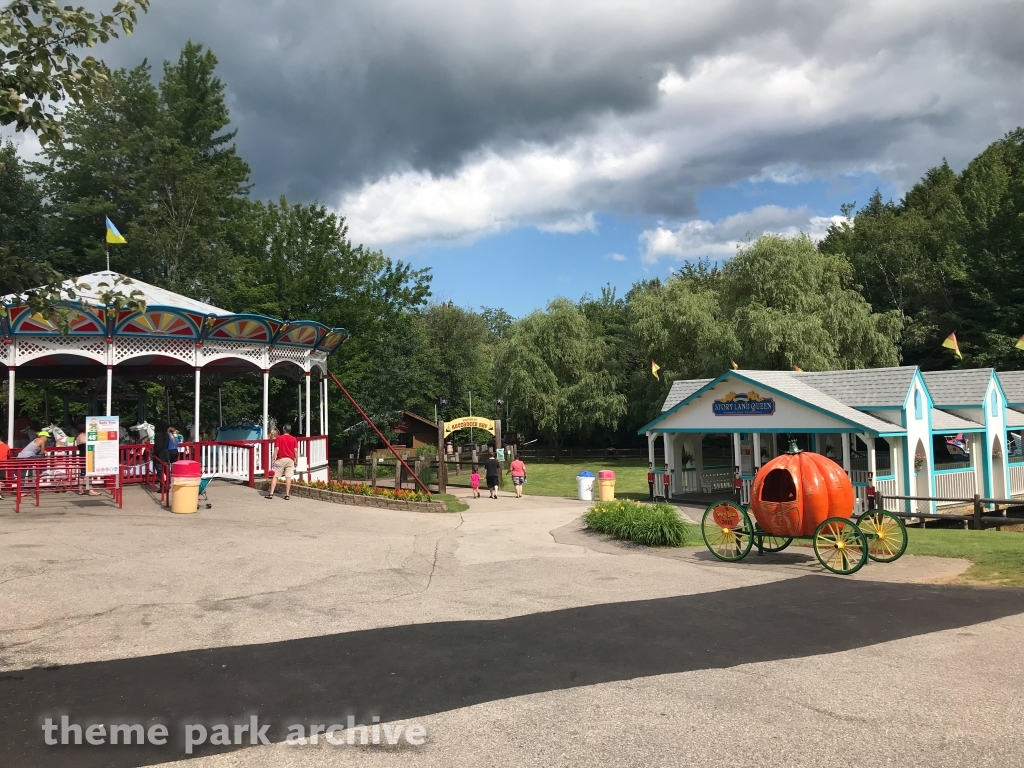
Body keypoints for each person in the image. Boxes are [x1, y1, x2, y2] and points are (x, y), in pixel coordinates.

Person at [266, 423, 298, 500]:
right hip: (290, 460)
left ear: (284, 430)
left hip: (281, 459)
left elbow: (276, 449)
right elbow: (295, 451)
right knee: (288, 477)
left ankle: (271, 494)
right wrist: (296, 460)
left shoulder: (279, 438)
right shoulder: (294, 439)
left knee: (276, 476)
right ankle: (287, 495)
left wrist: (273, 459)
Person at [75, 423, 98, 496]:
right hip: (88, 456)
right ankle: (90, 490)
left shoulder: (78, 437)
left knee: (82, 473)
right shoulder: (86, 436)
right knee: (89, 473)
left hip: (81, 456)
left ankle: (80, 490)